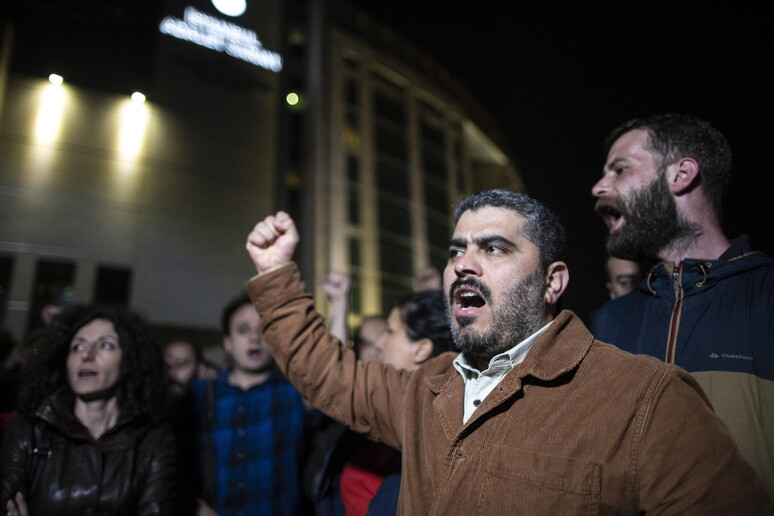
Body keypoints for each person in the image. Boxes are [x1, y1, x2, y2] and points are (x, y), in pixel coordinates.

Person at [244, 190, 769, 513]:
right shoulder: (424, 389)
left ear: (551, 281)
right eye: (456, 250)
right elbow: (323, 370)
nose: (463, 264)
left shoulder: (646, 401)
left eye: (494, 248)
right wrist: (275, 274)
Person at [590, 113, 774, 495]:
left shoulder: (768, 294)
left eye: (620, 169)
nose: (598, 187)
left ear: (681, 174)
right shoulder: (605, 324)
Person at [0, 305, 176, 515]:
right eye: (78, 347)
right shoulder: (30, 428)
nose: (87, 355)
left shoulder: (154, 439)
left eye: (105, 346)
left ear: (129, 359)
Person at [315, 290, 454, 516]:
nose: (380, 343)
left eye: (389, 331)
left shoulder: (433, 430)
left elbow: (327, 374)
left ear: (421, 349)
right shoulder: (376, 405)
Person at [188, 293, 307, 516]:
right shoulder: (200, 394)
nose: (255, 338)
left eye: (263, 330)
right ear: (228, 343)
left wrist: (338, 303)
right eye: (243, 330)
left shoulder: (291, 393)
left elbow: (332, 382)